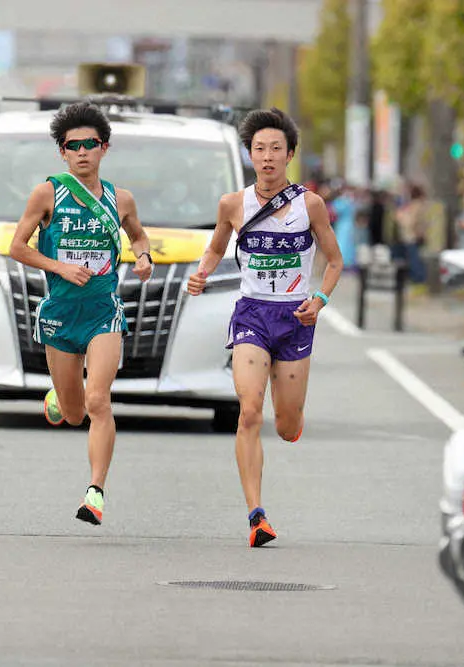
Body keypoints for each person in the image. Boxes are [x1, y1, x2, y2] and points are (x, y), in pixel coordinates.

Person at [186, 108, 343, 547]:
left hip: (294, 318)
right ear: (249, 155)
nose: (268, 157)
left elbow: (334, 260)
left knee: (287, 426)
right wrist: (200, 274)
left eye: (276, 149)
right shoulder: (233, 204)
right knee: (249, 411)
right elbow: (215, 249)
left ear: (290, 154)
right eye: (260, 149)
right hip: (252, 314)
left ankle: (291, 416)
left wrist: (321, 299)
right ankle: (257, 515)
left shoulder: (309, 205)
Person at [8, 101, 153, 526]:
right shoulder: (48, 193)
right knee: (74, 413)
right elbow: (18, 247)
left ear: (104, 148)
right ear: (63, 153)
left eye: (91, 144)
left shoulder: (120, 199)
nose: (83, 152)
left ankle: (95, 492)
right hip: (59, 314)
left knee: (98, 400)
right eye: (74, 146)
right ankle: (59, 398)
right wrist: (59, 267)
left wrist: (143, 259)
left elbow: (139, 236)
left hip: (103, 312)